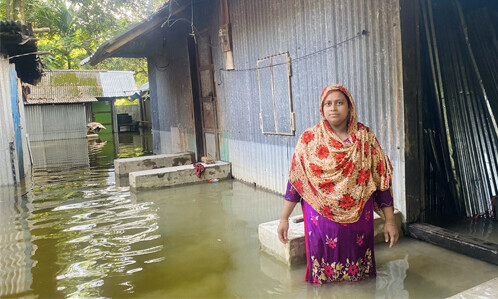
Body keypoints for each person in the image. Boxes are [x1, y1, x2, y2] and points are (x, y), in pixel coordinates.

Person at [277, 84, 399, 284]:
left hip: (359, 218)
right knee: (323, 278)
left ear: (350, 107)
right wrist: (284, 219)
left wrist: (390, 221)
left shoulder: (365, 138)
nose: (333, 108)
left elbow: (381, 179)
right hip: (320, 220)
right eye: (328, 104)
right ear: (322, 109)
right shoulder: (309, 139)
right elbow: (296, 182)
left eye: (339, 103)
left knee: (359, 278)